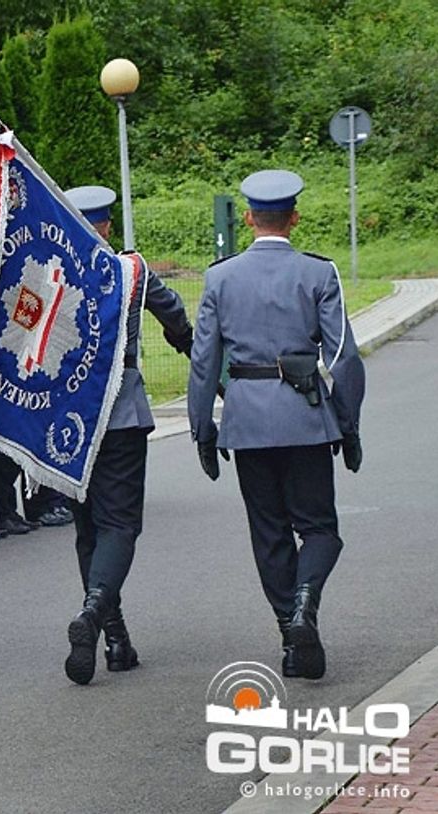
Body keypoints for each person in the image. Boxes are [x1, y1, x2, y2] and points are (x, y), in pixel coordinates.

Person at [188, 170, 365, 681]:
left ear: (248, 218)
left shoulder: (220, 277)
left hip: (246, 423)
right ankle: (306, 604)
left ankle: (292, 636)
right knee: (321, 530)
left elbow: (204, 362)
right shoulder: (318, 273)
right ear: (295, 217)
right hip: (307, 418)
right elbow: (343, 358)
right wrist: (347, 422)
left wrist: (203, 427)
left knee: (269, 534)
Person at [61, 185, 193, 686]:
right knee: (119, 525)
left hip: (69, 419)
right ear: (108, 227)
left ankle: (114, 637)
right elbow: (173, 311)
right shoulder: (131, 270)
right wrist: (188, 346)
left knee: (88, 529)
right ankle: (97, 617)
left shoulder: (53, 271)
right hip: (120, 413)